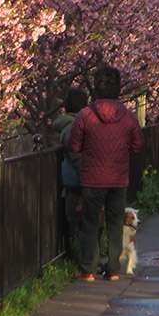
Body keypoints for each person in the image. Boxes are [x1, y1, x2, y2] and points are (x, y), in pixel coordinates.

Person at [69, 65, 144, 281]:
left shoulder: (85, 115)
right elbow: (138, 145)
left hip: (92, 178)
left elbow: (74, 145)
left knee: (90, 223)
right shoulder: (128, 116)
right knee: (115, 223)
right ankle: (113, 270)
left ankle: (88, 269)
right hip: (118, 177)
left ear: (95, 87)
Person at [56, 87, 89, 252]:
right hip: (82, 180)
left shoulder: (64, 126)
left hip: (70, 181)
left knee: (74, 221)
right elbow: (77, 156)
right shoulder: (76, 127)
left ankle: (79, 257)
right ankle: (83, 260)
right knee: (84, 222)